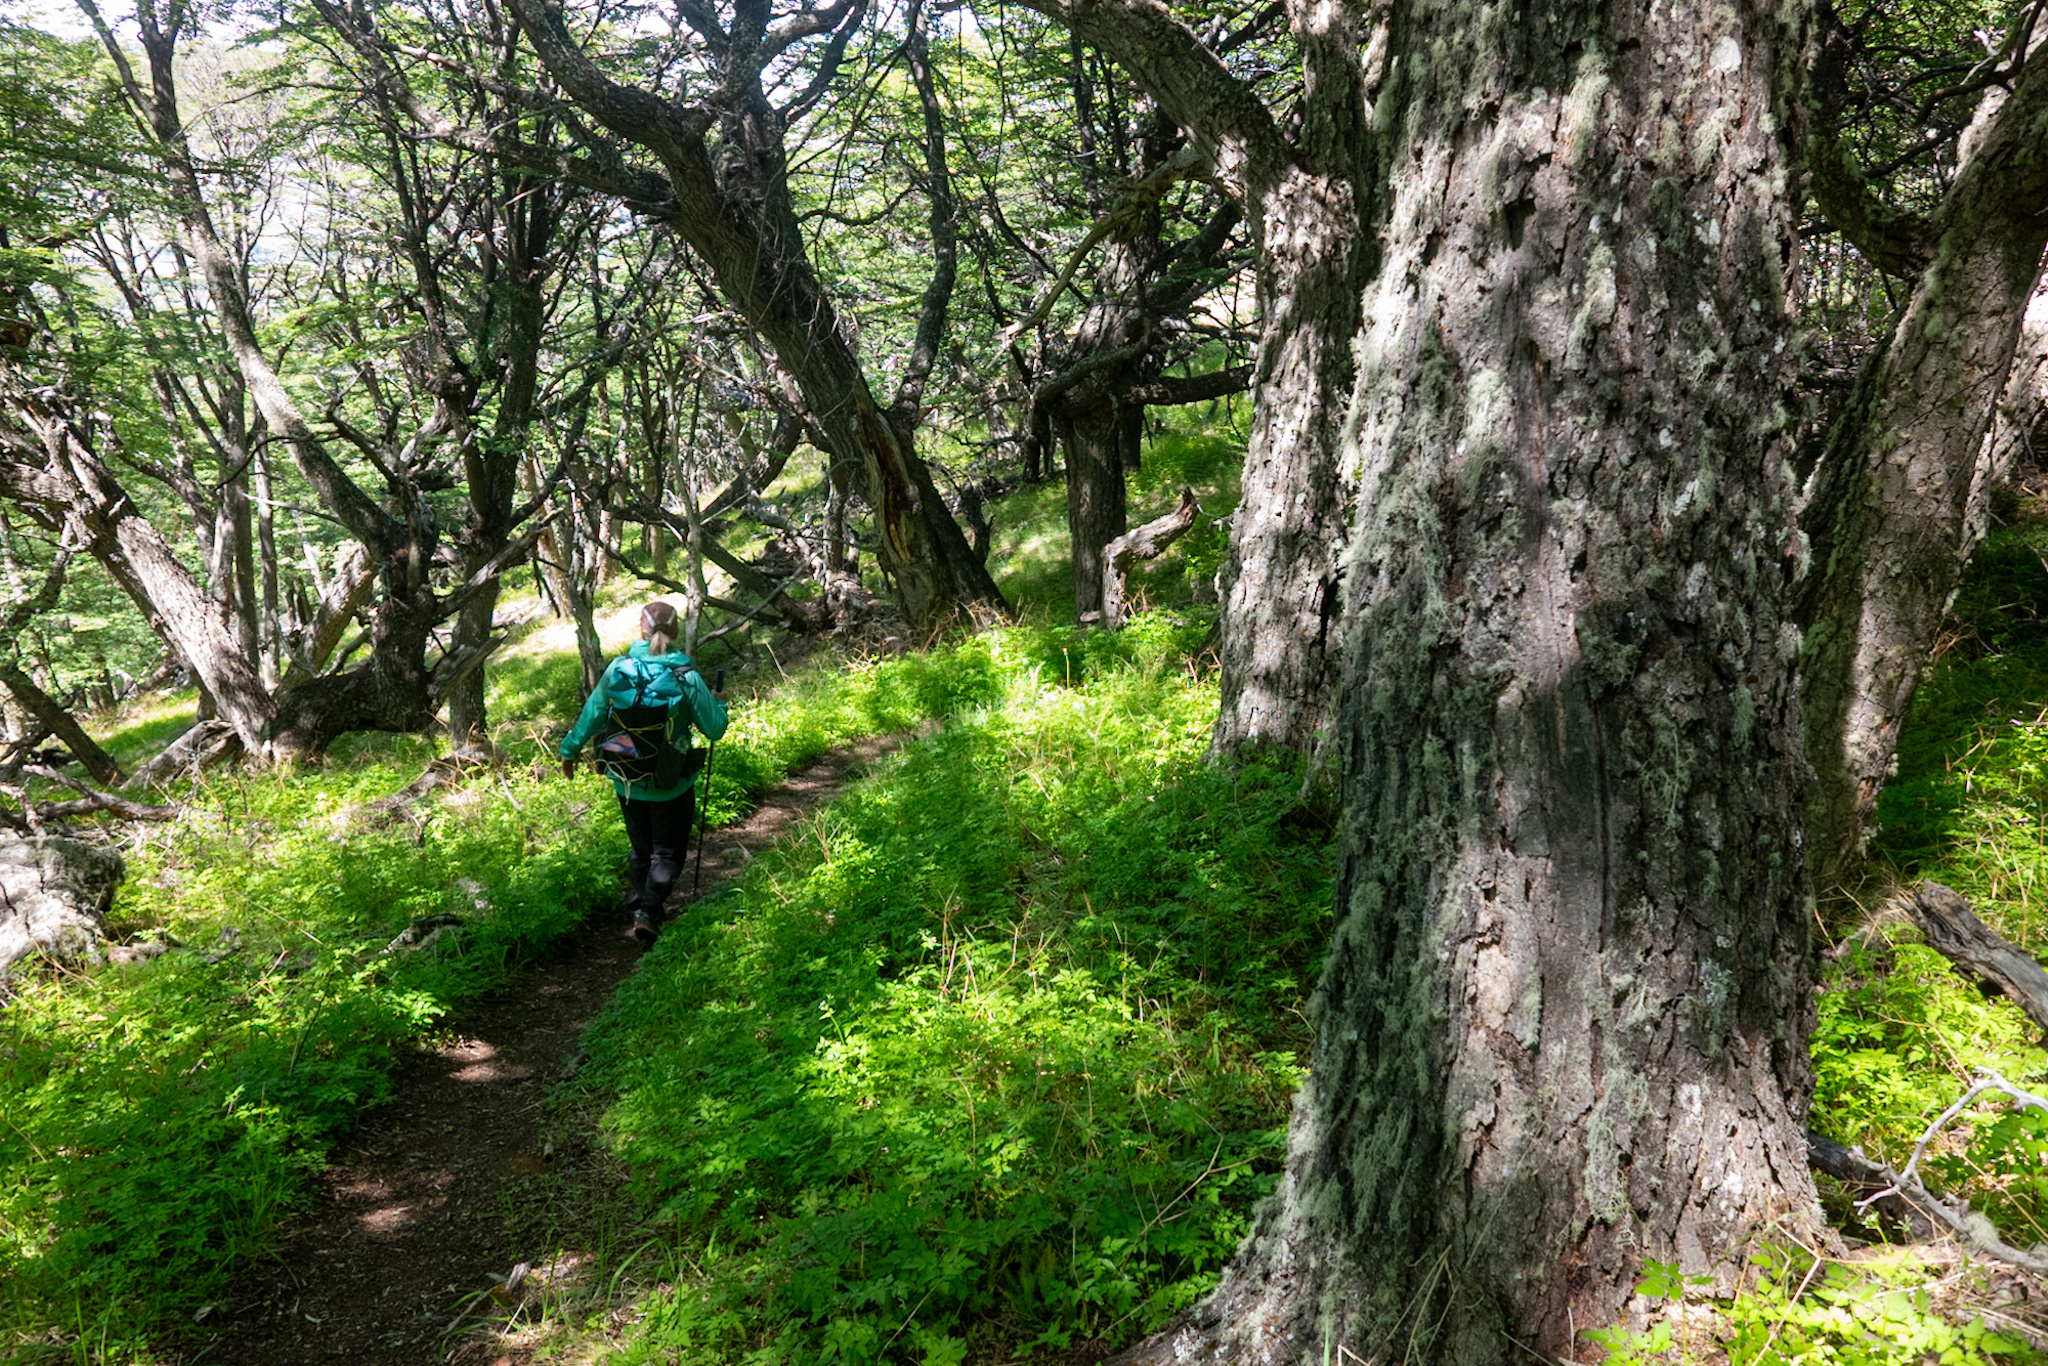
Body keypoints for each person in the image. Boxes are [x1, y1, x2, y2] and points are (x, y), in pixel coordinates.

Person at [560, 601, 728, 943]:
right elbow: (714, 729)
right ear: (676, 631)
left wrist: (570, 751)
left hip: (625, 778)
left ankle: (641, 904)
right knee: (666, 853)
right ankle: (649, 912)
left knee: (641, 848)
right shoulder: (686, 676)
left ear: (642, 629)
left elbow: (592, 714)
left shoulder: (618, 669)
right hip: (671, 782)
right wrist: (720, 701)